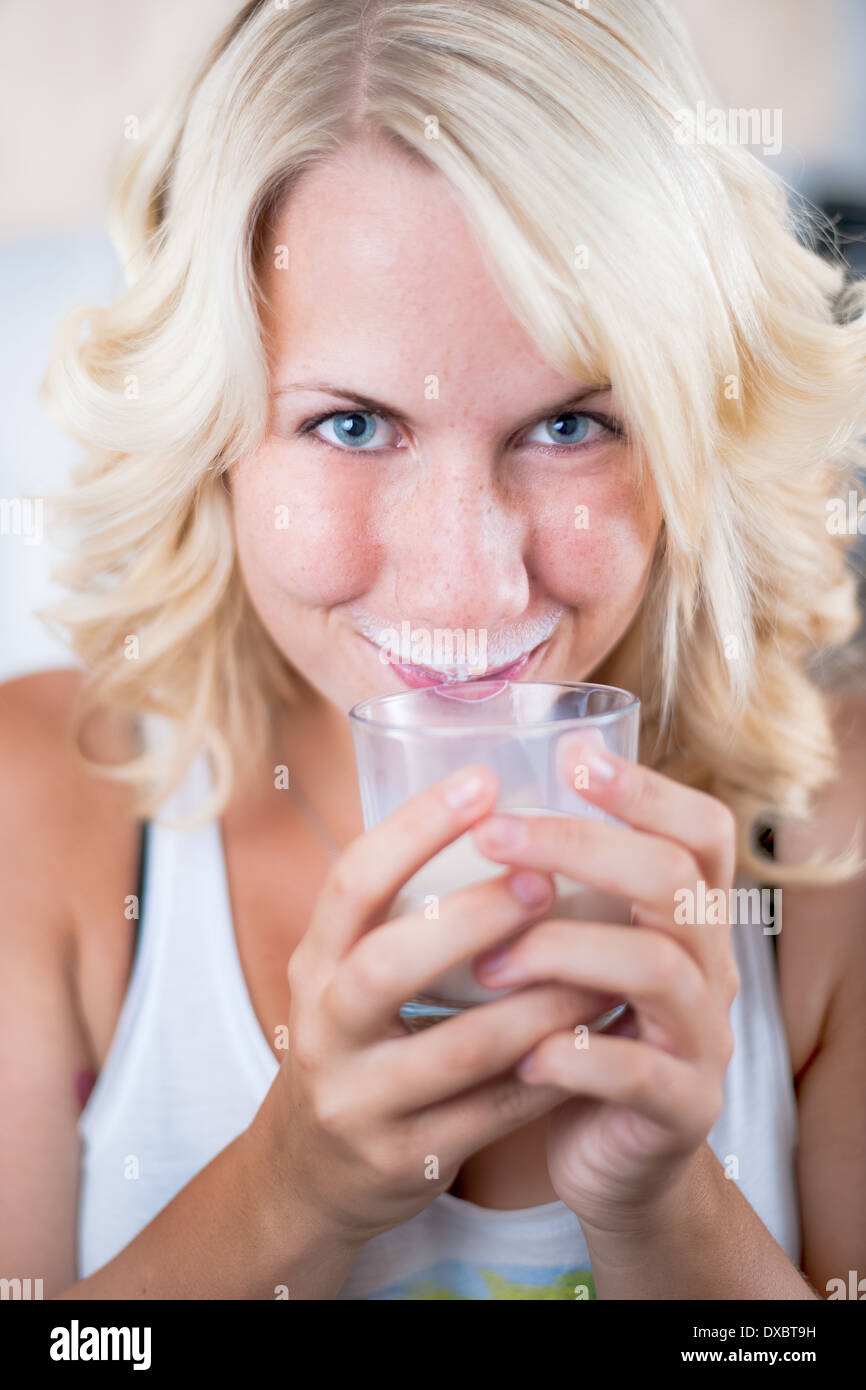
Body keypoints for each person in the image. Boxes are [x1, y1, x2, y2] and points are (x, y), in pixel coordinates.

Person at [2, 0, 865, 1301]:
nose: (467, 582)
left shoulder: (826, 843)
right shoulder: (44, 811)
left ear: (693, 428)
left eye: (571, 425)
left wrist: (665, 1209)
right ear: (212, 435)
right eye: (352, 425)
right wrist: (284, 1191)